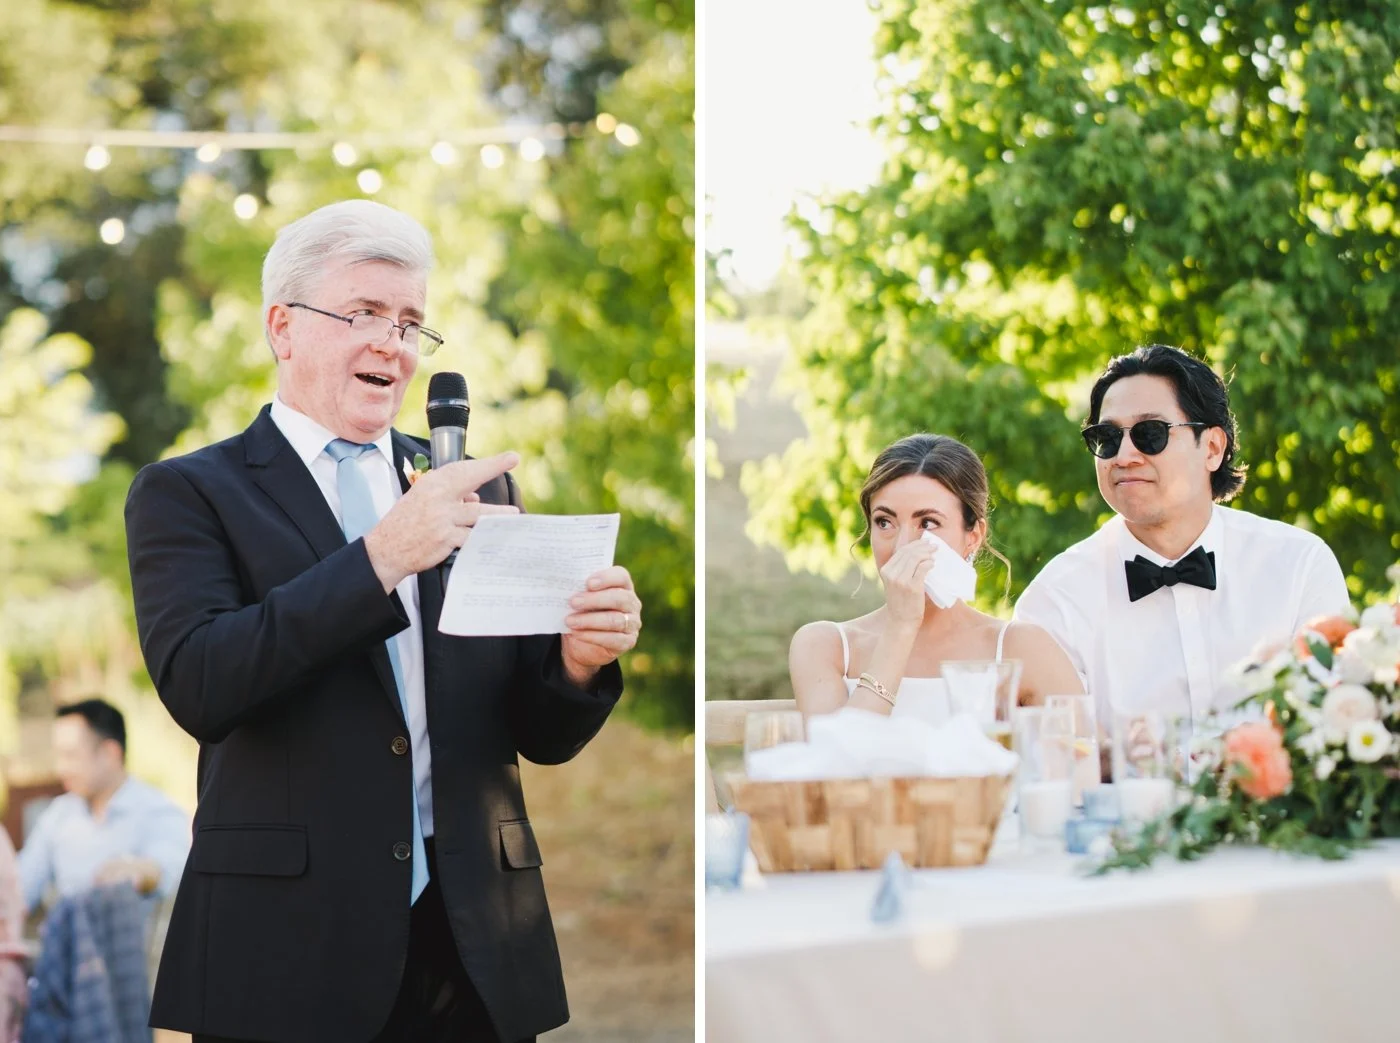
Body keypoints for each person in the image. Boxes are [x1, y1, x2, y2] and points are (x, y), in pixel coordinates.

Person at [124, 200, 643, 1043]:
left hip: (470, 934)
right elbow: (202, 681)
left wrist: (579, 663)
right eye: (363, 313)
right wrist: (380, 558)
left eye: (410, 324)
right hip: (289, 943)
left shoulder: (474, 490)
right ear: (282, 328)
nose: (392, 345)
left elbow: (532, 732)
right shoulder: (190, 492)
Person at [1014, 344, 1350, 727]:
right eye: (1107, 437)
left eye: (1150, 433)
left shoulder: (1299, 566)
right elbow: (1056, 757)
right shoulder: (1056, 598)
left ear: (1211, 448)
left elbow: (1336, 728)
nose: (1124, 455)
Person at [789, 434, 1084, 723]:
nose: (902, 545)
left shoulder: (1021, 647)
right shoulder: (824, 645)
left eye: (928, 523)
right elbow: (839, 761)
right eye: (884, 522)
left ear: (973, 536)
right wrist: (901, 626)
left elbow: (1082, 760)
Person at [17, 699, 189, 914]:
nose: (61, 768)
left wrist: (136, 871)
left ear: (110, 753)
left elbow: (168, 869)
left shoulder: (158, 812)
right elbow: (21, 887)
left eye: (70, 755)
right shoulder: (59, 814)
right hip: (66, 941)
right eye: (59, 755)